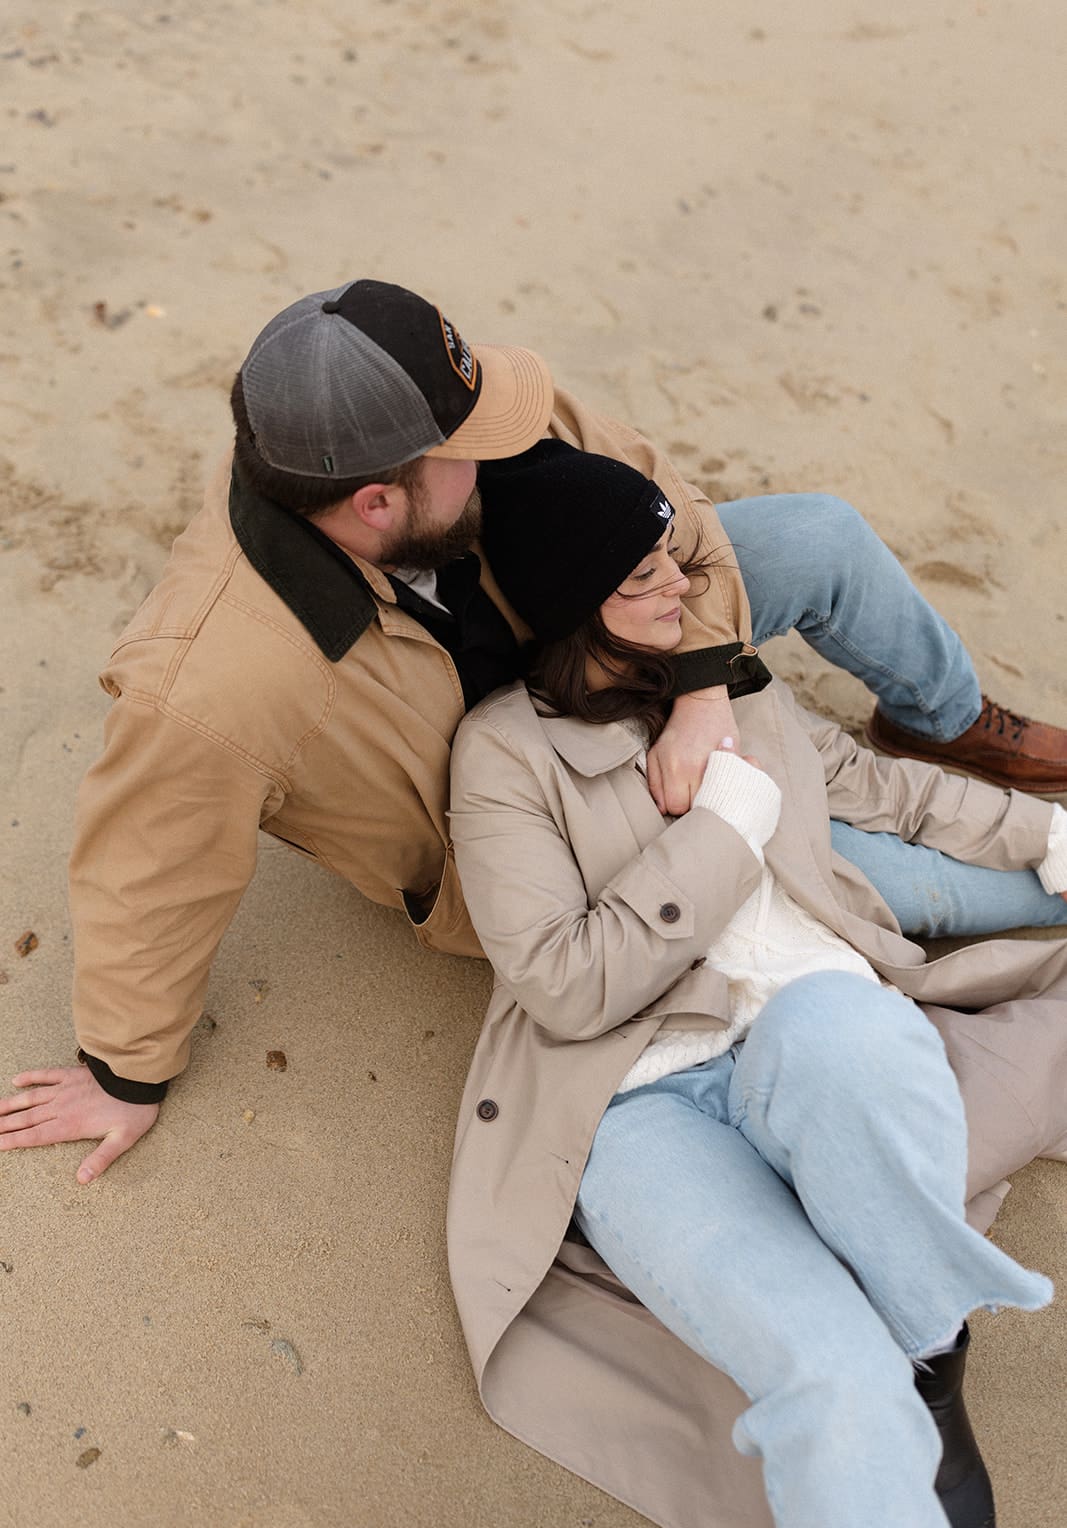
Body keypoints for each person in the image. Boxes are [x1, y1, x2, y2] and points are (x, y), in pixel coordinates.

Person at [1, 277, 1065, 1185]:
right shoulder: (213, 686)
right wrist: (123, 1069)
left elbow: (670, 517)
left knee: (817, 540)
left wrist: (698, 686)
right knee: (859, 876)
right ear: (377, 502)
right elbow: (150, 865)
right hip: (530, 819)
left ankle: (946, 720)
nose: (514, 433)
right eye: (470, 449)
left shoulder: (457, 415)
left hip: (609, 643)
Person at [445, 439, 1067, 1528]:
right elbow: (568, 984)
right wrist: (722, 822)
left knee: (843, 1033)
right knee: (827, 1379)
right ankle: (904, 1350)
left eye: (669, 554)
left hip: (816, 1033)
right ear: (573, 610)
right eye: (641, 579)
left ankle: (927, 1340)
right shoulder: (501, 758)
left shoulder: (729, 683)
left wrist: (1044, 838)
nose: (682, 585)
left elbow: (888, 791)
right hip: (640, 1109)